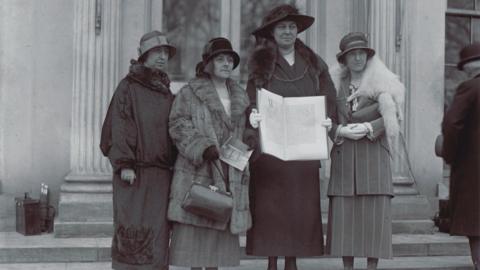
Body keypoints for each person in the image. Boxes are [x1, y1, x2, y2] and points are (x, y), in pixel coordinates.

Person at [245, 4, 337, 270]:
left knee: (299, 209)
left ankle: (292, 261)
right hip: (271, 151)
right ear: (272, 32)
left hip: (304, 150)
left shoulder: (313, 63)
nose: (287, 31)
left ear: (298, 32)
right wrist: (252, 115)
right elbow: (251, 98)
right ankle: (272, 261)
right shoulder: (261, 63)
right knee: (271, 210)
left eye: (292, 27)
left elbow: (328, 94)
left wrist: (326, 116)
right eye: (282, 27)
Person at [167, 37, 251, 269]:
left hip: (228, 172)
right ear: (209, 64)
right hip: (198, 170)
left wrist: (250, 137)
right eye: (220, 59)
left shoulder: (240, 96)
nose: (226, 63)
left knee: (217, 241)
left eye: (230, 60)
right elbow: (177, 124)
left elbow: (243, 132)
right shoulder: (189, 93)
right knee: (196, 236)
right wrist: (202, 147)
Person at [326, 32, 405, 270]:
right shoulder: (334, 85)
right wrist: (339, 131)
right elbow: (326, 119)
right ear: (344, 59)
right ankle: (347, 267)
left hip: (374, 157)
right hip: (345, 158)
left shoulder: (384, 83)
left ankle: (372, 267)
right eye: (352, 54)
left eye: (361, 53)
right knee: (345, 219)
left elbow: (393, 117)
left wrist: (370, 127)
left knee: (374, 218)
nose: (358, 58)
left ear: (368, 56)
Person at [102, 31, 177, 270]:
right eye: (156, 52)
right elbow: (120, 125)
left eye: (165, 53)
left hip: (161, 176)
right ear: (143, 56)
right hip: (134, 175)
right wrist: (125, 164)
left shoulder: (165, 92)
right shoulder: (128, 87)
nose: (162, 57)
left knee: (158, 234)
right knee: (133, 231)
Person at [441, 42, 480, 269]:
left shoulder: (470, 87)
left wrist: (450, 155)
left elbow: (451, 124)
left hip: (473, 171)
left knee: (476, 227)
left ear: (470, 67)